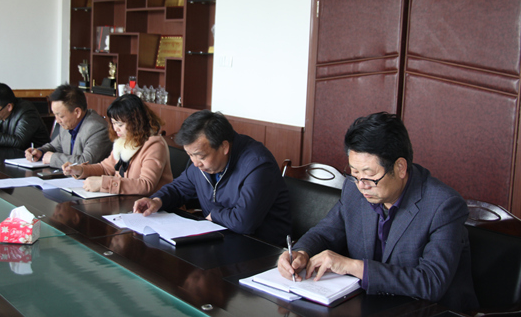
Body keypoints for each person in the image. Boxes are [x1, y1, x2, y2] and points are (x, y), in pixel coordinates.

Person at [277, 112, 478, 312]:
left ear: (400, 168)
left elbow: (430, 283)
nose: (361, 185)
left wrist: (354, 266)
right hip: (369, 306)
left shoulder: (443, 205)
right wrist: (301, 253)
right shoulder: (354, 189)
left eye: (369, 175)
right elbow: (325, 233)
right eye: (355, 173)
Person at [132, 110, 291, 247]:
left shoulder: (258, 165)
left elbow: (244, 222)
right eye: (190, 155)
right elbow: (179, 188)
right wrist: (157, 200)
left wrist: (215, 215)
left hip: (260, 249)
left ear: (224, 147)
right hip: (219, 239)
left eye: (200, 156)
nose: (195, 163)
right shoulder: (203, 164)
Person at [62, 94, 173, 195]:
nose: (116, 129)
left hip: (150, 205)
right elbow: (105, 168)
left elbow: (146, 185)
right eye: (113, 123)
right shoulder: (124, 140)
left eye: (120, 124)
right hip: (127, 201)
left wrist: (104, 183)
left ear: (136, 122)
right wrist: (80, 169)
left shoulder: (154, 145)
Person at [24, 84, 111, 168]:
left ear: (77, 112)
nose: (58, 121)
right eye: (55, 115)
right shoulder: (68, 124)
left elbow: (86, 162)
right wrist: (40, 152)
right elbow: (54, 147)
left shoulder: (97, 128)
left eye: (61, 116)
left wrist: (53, 158)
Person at [0, 83, 50, 149]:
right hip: (4, 157)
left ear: (9, 107)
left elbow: (19, 141)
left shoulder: (27, 112)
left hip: (32, 159)